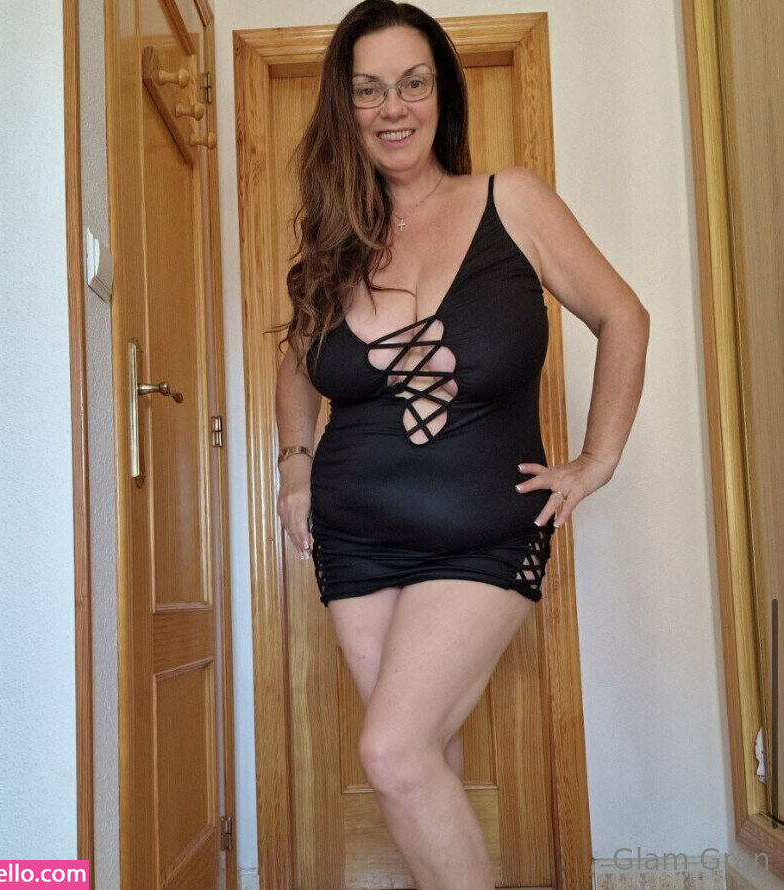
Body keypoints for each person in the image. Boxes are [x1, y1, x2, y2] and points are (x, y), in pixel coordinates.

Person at [273, 1, 649, 886]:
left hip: (485, 533)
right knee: (423, 757)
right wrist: (294, 470)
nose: (393, 108)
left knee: (392, 752)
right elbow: (295, 366)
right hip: (355, 540)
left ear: (441, 93)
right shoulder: (334, 245)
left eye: (412, 83)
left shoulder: (510, 200)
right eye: (369, 90)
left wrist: (597, 459)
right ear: (345, 107)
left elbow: (623, 315)